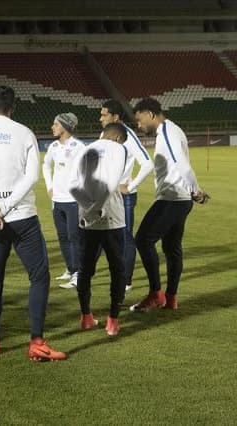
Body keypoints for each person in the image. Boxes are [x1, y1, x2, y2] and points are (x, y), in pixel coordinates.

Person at [0, 86, 66, 361]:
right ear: (13, 107)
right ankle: (37, 343)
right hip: (23, 219)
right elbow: (32, 177)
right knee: (39, 277)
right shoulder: (24, 133)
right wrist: (6, 207)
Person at [129, 98, 209, 312]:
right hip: (179, 199)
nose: (138, 125)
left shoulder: (166, 132)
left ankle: (156, 295)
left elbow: (182, 164)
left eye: (139, 120)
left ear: (151, 114)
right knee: (171, 248)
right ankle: (171, 298)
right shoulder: (173, 130)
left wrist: (196, 190)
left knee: (143, 239)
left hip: (172, 198)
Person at [68, 123, 129, 336]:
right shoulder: (119, 148)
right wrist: (98, 207)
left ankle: (86, 316)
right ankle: (113, 320)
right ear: (119, 138)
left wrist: (89, 209)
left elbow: (72, 185)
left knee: (85, 268)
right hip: (112, 216)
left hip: (86, 218)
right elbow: (112, 183)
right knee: (117, 268)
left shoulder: (85, 149)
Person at [99, 100, 154, 292]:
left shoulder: (128, 136)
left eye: (104, 115)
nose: (101, 118)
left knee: (125, 238)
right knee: (103, 234)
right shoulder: (106, 133)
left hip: (124, 197)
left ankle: (126, 280)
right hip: (107, 194)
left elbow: (147, 163)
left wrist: (130, 186)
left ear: (115, 116)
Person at [42, 113, 85, 289]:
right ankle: (70, 268)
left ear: (65, 127)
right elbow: (45, 165)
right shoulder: (53, 146)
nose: (52, 127)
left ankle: (78, 274)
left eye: (56, 124)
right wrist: (49, 187)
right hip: (57, 199)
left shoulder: (79, 147)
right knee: (62, 237)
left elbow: (85, 171)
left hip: (73, 200)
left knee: (74, 237)